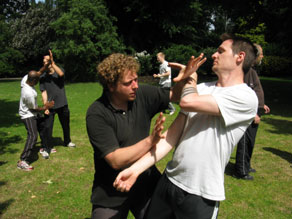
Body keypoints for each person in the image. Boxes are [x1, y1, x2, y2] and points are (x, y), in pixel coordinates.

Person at [113, 33, 258, 218]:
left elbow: (188, 101)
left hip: (201, 194)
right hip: (169, 181)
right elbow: (170, 138)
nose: (214, 55)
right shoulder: (203, 89)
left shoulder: (245, 97)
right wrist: (135, 170)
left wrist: (190, 77)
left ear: (240, 57)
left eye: (221, 51)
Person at [86, 53, 181, 219]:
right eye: (128, 83)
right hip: (112, 189)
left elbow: (177, 95)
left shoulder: (141, 95)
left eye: (136, 79)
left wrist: (187, 79)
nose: (135, 86)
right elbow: (115, 160)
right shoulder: (97, 113)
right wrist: (151, 141)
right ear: (110, 86)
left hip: (146, 182)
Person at [234, 43, 270, 180]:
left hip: (255, 112)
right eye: (261, 54)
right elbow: (245, 93)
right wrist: (253, 113)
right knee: (245, 141)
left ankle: (246, 165)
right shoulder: (247, 70)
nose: (262, 56)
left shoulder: (252, 71)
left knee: (250, 141)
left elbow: (254, 92)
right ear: (254, 55)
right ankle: (241, 171)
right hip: (249, 115)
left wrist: (262, 104)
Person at [39, 50, 75, 159]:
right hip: (51, 106)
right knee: (48, 127)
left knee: (65, 125)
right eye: (44, 61)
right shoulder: (43, 77)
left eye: (47, 60)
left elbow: (61, 74)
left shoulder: (58, 72)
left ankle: (67, 141)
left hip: (63, 104)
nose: (46, 62)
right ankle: (46, 148)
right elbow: (43, 92)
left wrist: (53, 63)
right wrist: (45, 105)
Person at [18, 70, 54, 171]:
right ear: (33, 80)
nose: (38, 82)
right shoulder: (28, 93)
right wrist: (47, 106)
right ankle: (23, 161)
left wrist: (46, 66)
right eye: (37, 80)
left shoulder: (25, 79)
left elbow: (39, 71)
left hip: (33, 113)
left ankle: (44, 148)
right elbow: (33, 108)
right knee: (33, 136)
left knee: (42, 127)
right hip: (27, 115)